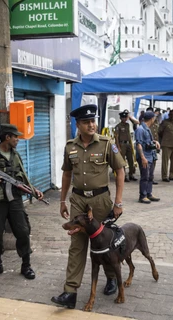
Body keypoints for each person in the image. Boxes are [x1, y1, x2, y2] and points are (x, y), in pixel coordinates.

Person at [51, 104, 126, 309]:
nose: (92, 125)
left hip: (100, 201)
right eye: (86, 122)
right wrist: (62, 200)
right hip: (78, 201)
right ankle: (70, 292)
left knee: (105, 242)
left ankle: (111, 278)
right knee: (77, 245)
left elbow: (120, 171)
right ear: (78, 124)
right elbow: (67, 174)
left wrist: (118, 202)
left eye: (93, 121)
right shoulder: (70, 147)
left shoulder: (106, 143)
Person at [0, 124, 44, 280]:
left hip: (15, 200)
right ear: (7, 137)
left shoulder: (16, 155)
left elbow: (23, 177)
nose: (18, 140)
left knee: (23, 232)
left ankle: (26, 266)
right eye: (16, 137)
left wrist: (34, 190)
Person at [135, 111, 161, 203]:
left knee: (150, 176)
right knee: (145, 177)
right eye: (154, 118)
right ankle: (142, 196)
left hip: (150, 156)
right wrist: (143, 158)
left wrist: (155, 142)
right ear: (151, 119)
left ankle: (149, 193)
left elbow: (147, 141)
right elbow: (139, 144)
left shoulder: (147, 129)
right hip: (145, 157)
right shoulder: (140, 129)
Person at [114, 109, 138, 182]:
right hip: (122, 144)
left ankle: (131, 174)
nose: (125, 119)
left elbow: (136, 122)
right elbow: (116, 137)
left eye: (126, 117)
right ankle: (124, 176)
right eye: (123, 117)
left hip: (128, 144)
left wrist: (130, 117)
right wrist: (118, 147)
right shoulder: (118, 126)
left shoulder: (128, 124)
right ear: (120, 118)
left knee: (131, 160)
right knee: (123, 161)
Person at [158, 109, 173, 182]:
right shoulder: (165, 122)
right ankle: (164, 176)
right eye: (171, 115)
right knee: (165, 162)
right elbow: (159, 132)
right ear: (169, 115)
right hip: (166, 144)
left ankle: (172, 175)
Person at [150, 108, 161, 185]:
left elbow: (158, 135)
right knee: (149, 163)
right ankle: (148, 177)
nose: (155, 118)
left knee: (154, 162)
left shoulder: (156, 125)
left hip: (154, 146)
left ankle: (151, 177)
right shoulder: (146, 126)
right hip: (148, 146)